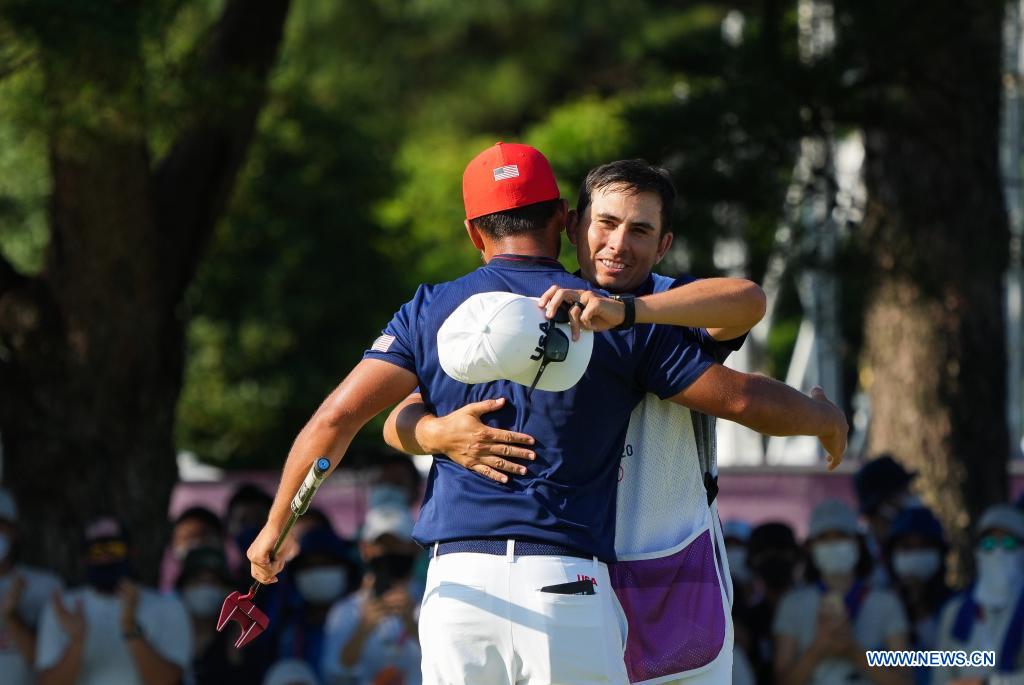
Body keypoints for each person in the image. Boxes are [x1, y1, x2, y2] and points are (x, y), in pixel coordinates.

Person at [247, 142, 846, 684]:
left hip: (458, 588)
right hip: (570, 582)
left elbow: (338, 419)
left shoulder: (429, 308)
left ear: (473, 232)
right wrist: (822, 418)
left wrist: (276, 530)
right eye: (607, 223)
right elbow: (741, 398)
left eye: (638, 229)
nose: (618, 243)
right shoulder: (606, 318)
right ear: (566, 219)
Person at [36, 515, 193, 685]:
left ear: (132, 552)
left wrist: (130, 627)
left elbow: (167, 681)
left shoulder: (168, 607)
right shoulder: (62, 608)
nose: (105, 557)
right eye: (96, 551)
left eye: (114, 549)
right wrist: (76, 642)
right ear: (84, 558)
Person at [773, 499, 910, 685]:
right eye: (824, 538)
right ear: (810, 547)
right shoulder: (792, 604)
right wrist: (819, 647)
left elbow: (904, 680)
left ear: (858, 543)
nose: (833, 544)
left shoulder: (886, 603)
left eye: (841, 536)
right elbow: (782, 680)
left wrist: (852, 649)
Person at [320, 505, 422, 684]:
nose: (388, 553)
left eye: (397, 545)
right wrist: (363, 628)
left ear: (415, 548)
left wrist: (412, 625)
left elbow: (449, 659)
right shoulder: (345, 610)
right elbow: (335, 670)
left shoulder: (432, 601)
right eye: (381, 545)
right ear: (365, 549)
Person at [934, 504, 1024, 684]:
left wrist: (989, 683)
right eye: (988, 544)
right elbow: (942, 678)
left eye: (1009, 543)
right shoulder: (955, 612)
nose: (998, 552)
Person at [177, 546, 274, 685]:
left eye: (213, 582)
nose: (205, 589)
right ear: (182, 587)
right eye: (198, 581)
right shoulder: (165, 631)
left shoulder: (235, 642)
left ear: (226, 590)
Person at [0, 487, 63, 685]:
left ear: (14, 532)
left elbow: (48, 662)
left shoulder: (46, 585)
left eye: (0, 525)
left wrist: (11, 616)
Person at [279, 525, 359, 680]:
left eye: (326, 563)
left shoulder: (360, 615)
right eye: (309, 566)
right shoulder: (289, 625)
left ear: (346, 570)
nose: (318, 571)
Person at [885, 507, 950, 685]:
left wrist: (921, 611)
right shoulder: (878, 604)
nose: (915, 555)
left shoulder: (957, 607)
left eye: (924, 547)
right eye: (907, 547)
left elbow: (964, 661)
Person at [741, 521, 802, 685]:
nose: (774, 558)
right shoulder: (745, 621)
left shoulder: (816, 609)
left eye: (782, 551)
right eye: (765, 554)